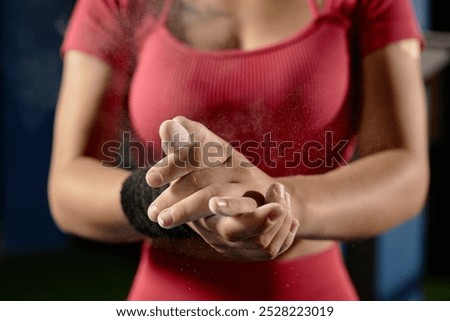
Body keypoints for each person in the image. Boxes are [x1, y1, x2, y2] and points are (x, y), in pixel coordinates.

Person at [48, 0, 429, 300]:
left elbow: (403, 168)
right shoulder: (118, 3)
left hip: (313, 293)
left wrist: (286, 204)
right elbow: (68, 187)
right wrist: (179, 202)